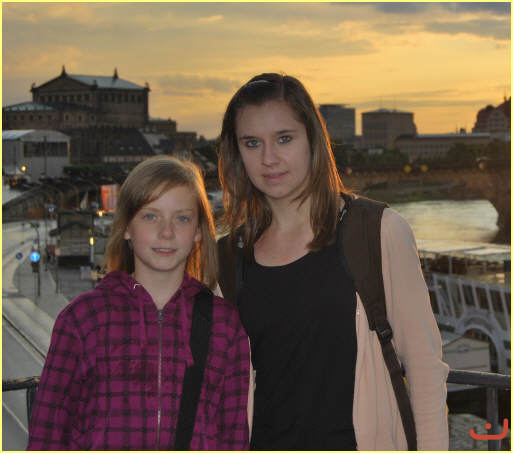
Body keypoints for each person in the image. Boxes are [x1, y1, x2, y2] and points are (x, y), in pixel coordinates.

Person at [216, 73, 449, 450]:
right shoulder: (228, 259)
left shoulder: (376, 232)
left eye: (284, 138)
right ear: (237, 152)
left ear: (313, 139)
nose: (269, 158)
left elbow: (424, 370)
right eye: (252, 143)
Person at [27, 155, 250, 450]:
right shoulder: (83, 319)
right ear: (127, 227)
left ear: (198, 231)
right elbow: (46, 437)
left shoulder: (225, 326)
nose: (167, 232)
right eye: (150, 216)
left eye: (182, 218)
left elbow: (233, 439)